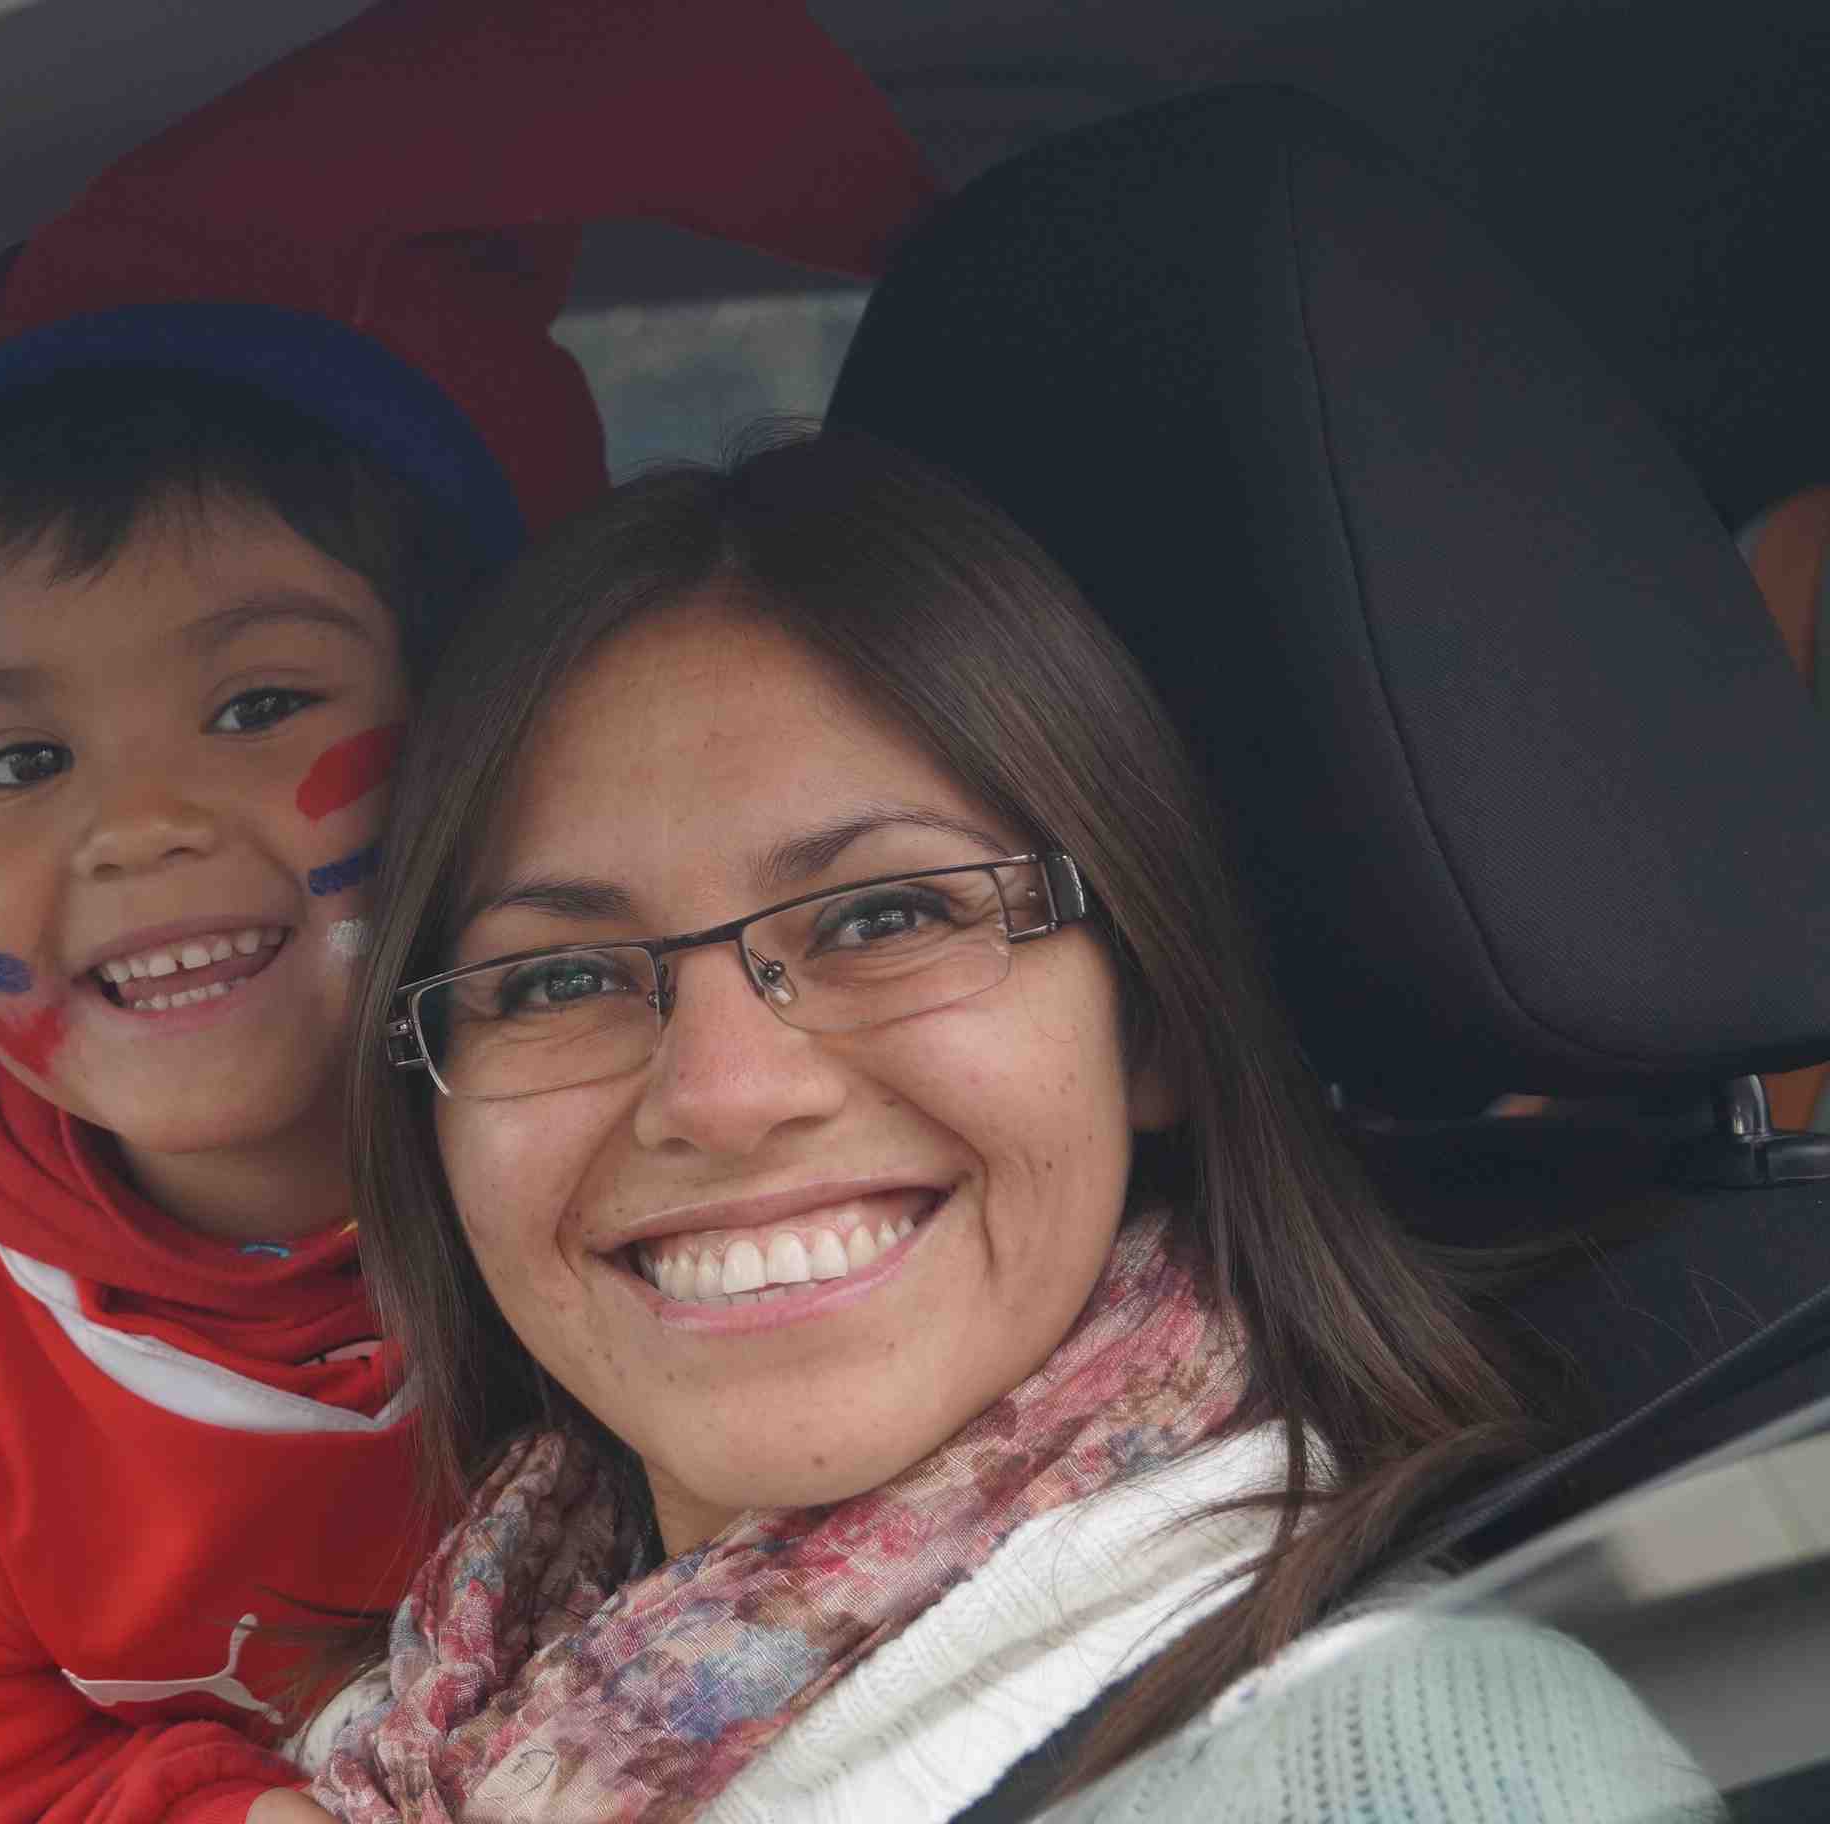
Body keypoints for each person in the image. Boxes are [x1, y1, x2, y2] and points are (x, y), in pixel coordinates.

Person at [0, 6, 929, 1819]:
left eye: (257, 705)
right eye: (19, 761)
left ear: (476, 744)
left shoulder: (678, 1149)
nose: (140, 824)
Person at [296, 433, 1721, 1823]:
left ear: (1148, 1017)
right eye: (556, 981)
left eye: (885, 916)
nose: (724, 1095)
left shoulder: (1420, 1758)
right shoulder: (435, 1700)